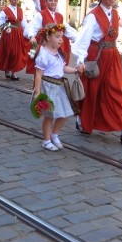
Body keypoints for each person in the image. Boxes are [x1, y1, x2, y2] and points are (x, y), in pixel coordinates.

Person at [71, 0, 122, 144]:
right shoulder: (92, 16)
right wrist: (81, 61)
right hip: (96, 56)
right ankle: (81, 119)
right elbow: (84, 39)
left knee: (116, 91)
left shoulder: (116, 14)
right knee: (91, 91)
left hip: (112, 57)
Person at [32, 23, 81, 151]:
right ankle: (46, 140)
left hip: (59, 86)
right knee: (49, 116)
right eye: (57, 36)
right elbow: (38, 75)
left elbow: (63, 67)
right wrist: (37, 93)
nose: (61, 39)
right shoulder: (43, 54)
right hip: (48, 87)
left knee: (64, 113)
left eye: (61, 37)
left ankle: (54, 134)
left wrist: (75, 70)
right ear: (48, 37)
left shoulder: (58, 52)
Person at [25, 0, 77, 66]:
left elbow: (66, 29)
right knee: (41, 67)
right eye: (50, 0)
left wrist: (78, 38)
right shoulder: (40, 14)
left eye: (55, 0)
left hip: (55, 46)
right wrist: (31, 36)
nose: (53, 2)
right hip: (44, 45)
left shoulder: (60, 16)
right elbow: (33, 26)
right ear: (46, 2)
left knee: (54, 67)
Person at [0, 0, 29, 80]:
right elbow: (2, 21)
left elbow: (23, 23)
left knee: (17, 53)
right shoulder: (5, 10)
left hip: (18, 33)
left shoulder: (20, 10)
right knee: (9, 51)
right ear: (10, 0)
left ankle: (13, 72)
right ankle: (7, 70)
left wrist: (28, 33)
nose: (15, 1)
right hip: (9, 32)